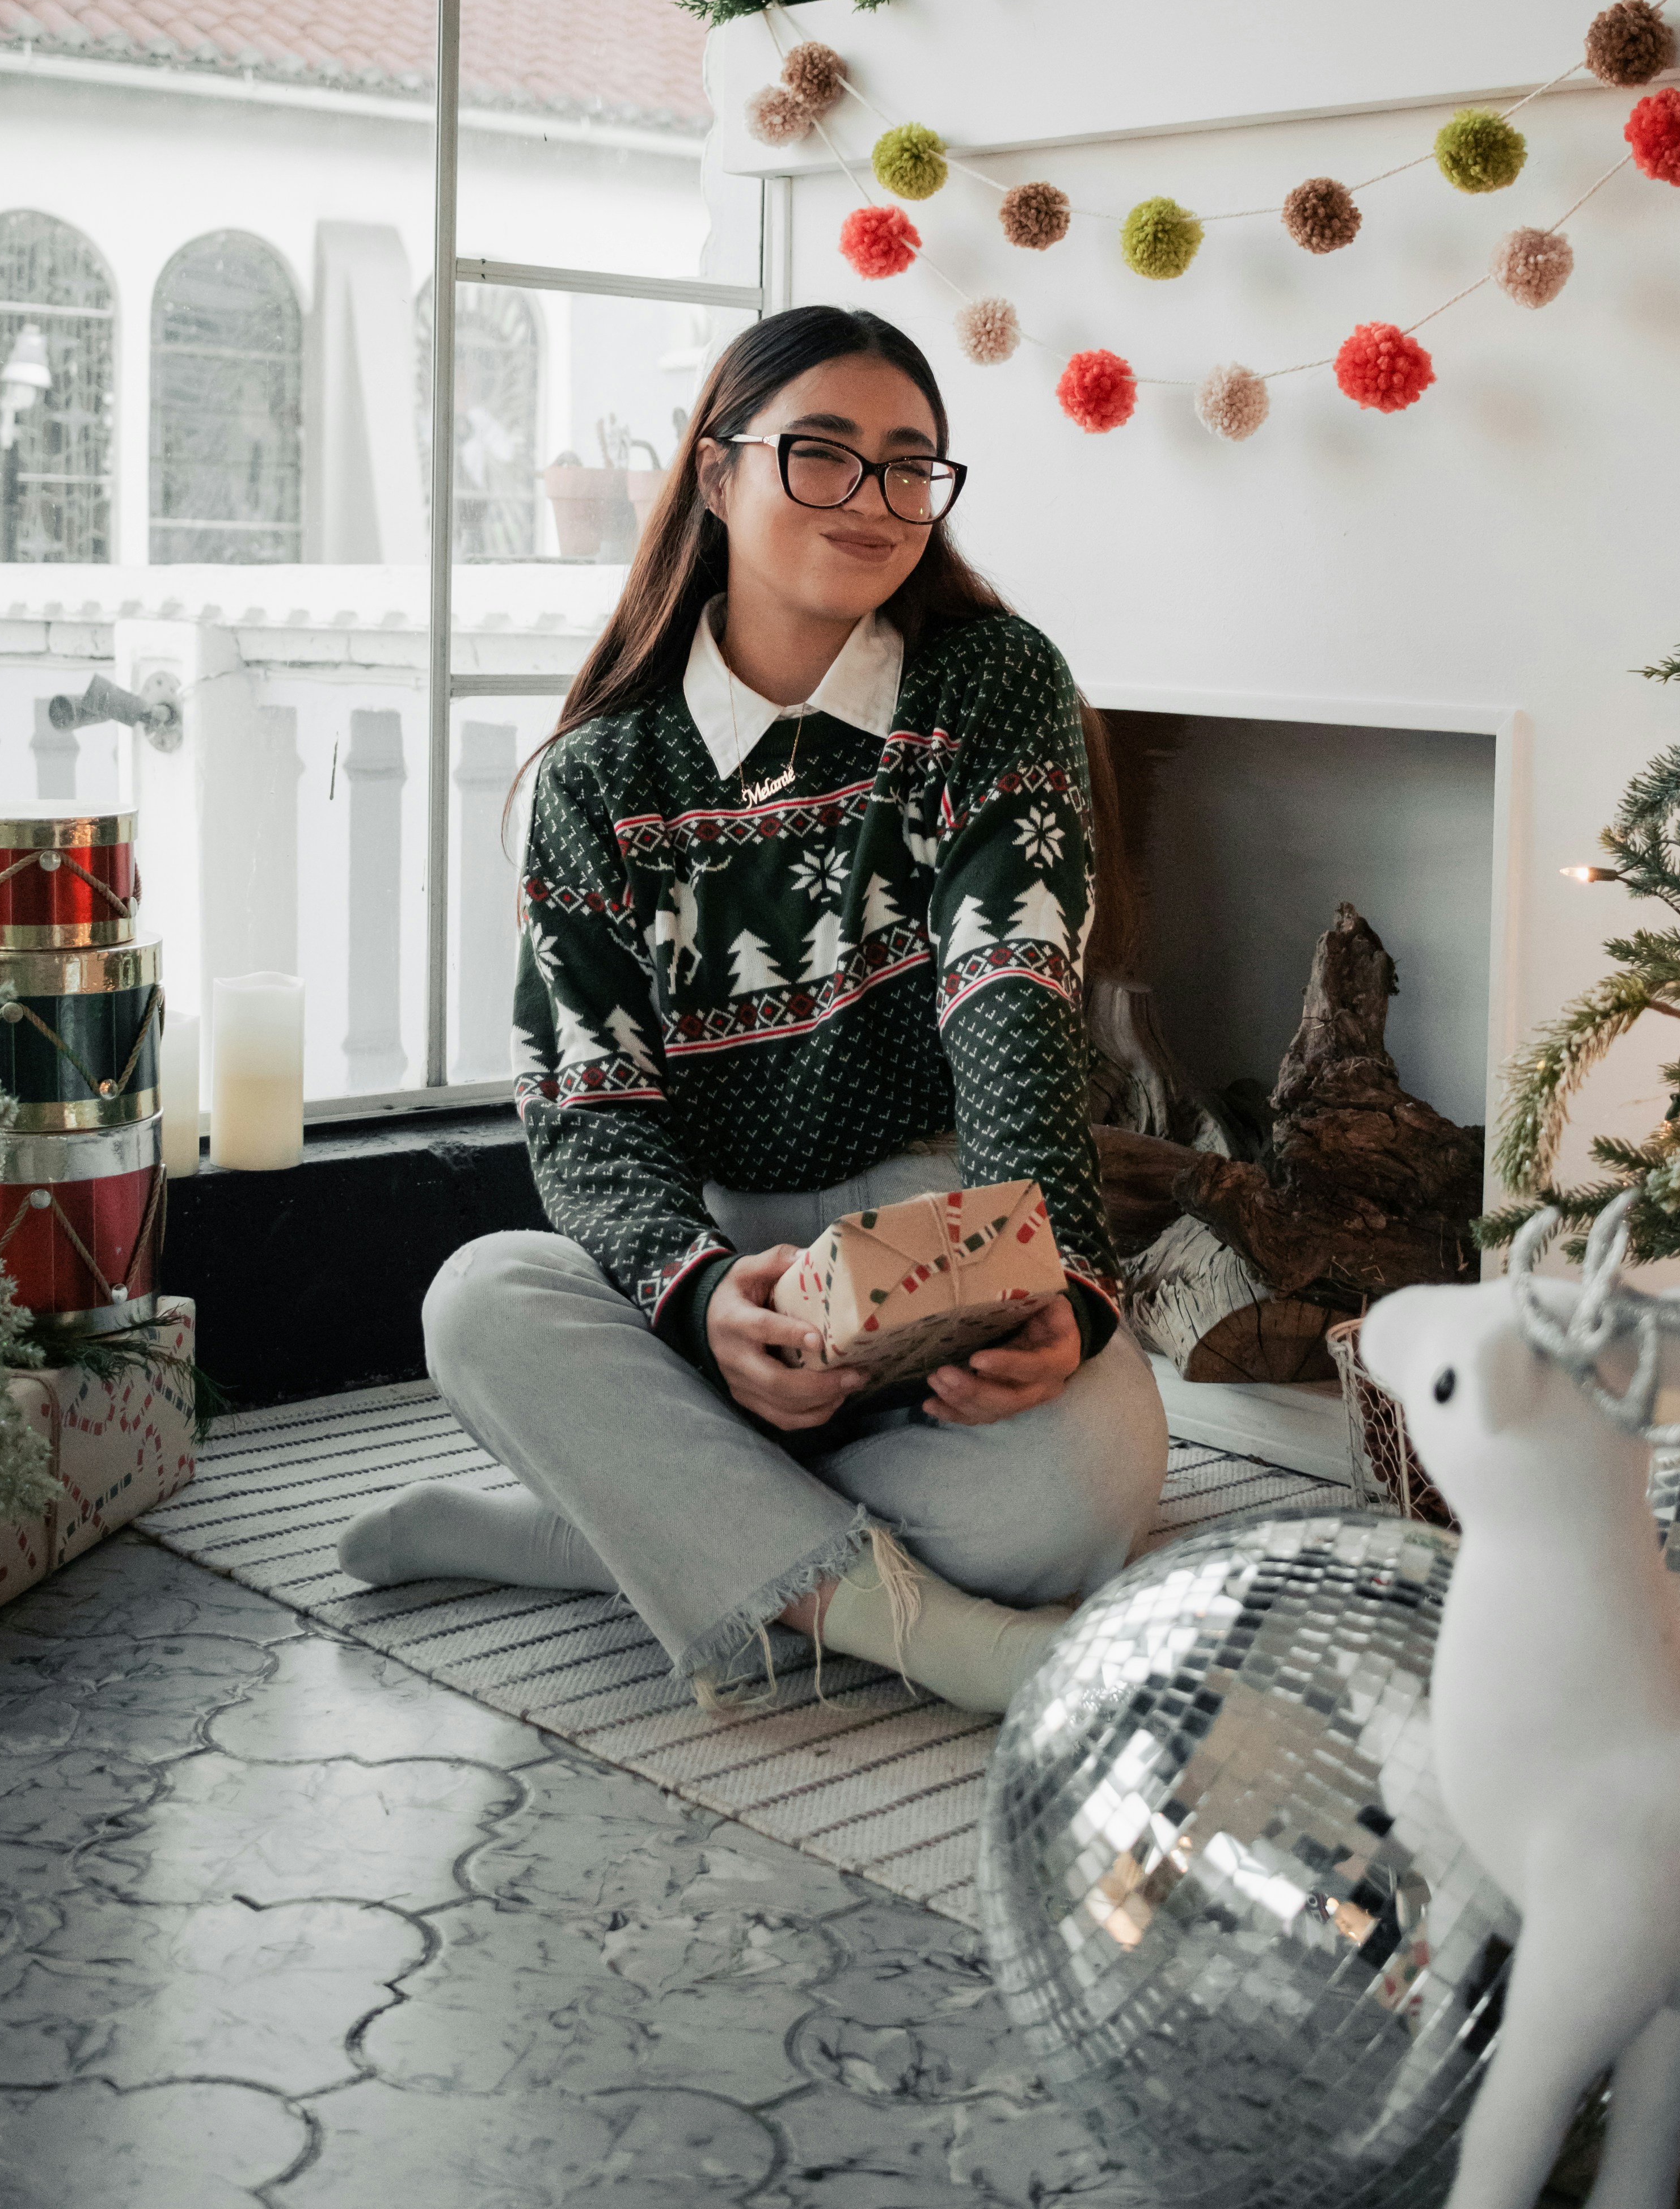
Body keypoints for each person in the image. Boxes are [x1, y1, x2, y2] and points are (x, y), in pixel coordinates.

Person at [339, 303, 1168, 1710]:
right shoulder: (599, 776)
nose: (873, 499)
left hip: (937, 1229)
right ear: (716, 473)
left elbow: (1012, 996)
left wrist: (1068, 1289)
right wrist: (700, 1296)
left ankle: (611, 1523)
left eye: (909, 465)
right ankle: (944, 1641)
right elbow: (591, 1115)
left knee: (1067, 1509)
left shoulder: (989, 684)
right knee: (478, 1300)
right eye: (822, 453)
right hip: (727, 1252)